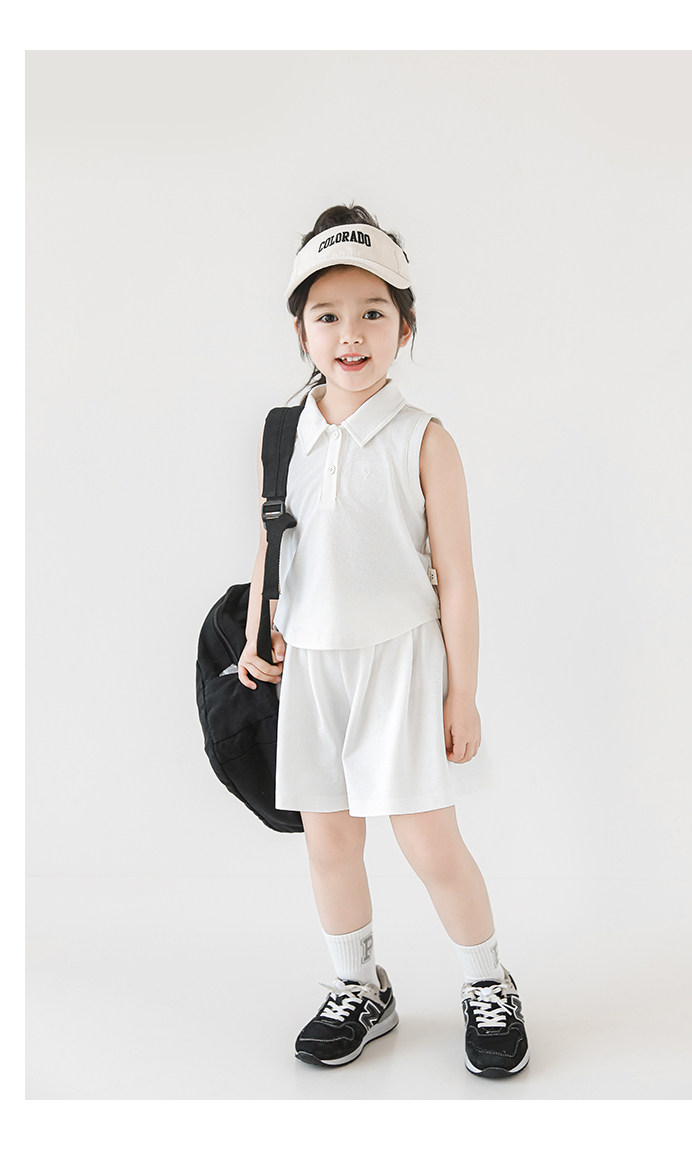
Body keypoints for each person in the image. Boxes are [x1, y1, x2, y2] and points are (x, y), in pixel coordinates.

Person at [237, 203, 529, 1078]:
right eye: (327, 315)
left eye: (372, 312)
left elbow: (458, 578)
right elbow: (270, 539)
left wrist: (462, 692)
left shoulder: (423, 439)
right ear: (300, 332)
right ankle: (357, 985)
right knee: (329, 842)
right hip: (314, 667)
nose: (350, 334)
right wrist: (258, 633)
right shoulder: (286, 433)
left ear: (406, 326)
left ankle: (488, 982)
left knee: (430, 843)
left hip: (401, 665)